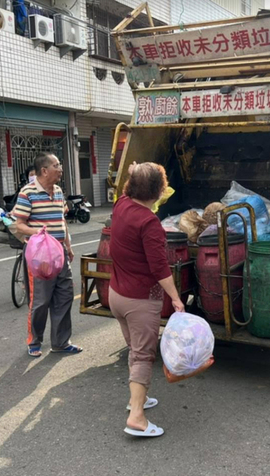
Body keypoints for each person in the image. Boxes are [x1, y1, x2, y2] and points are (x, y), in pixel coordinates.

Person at [108, 162, 184, 438]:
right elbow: (159, 269)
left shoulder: (121, 205)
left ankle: (135, 398)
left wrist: (133, 172)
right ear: (159, 190)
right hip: (139, 300)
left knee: (134, 348)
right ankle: (137, 417)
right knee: (142, 355)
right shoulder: (149, 222)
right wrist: (176, 298)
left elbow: (130, 186)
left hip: (116, 295)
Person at [12, 152, 82, 358]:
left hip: (59, 252)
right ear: (44, 170)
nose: (60, 168)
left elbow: (62, 221)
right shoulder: (28, 192)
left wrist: (68, 246)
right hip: (40, 256)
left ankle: (61, 342)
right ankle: (34, 341)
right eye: (57, 165)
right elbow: (19, 224)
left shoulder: (59, 191)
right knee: (41, 300)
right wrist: (38, 232)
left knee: (64, 296)